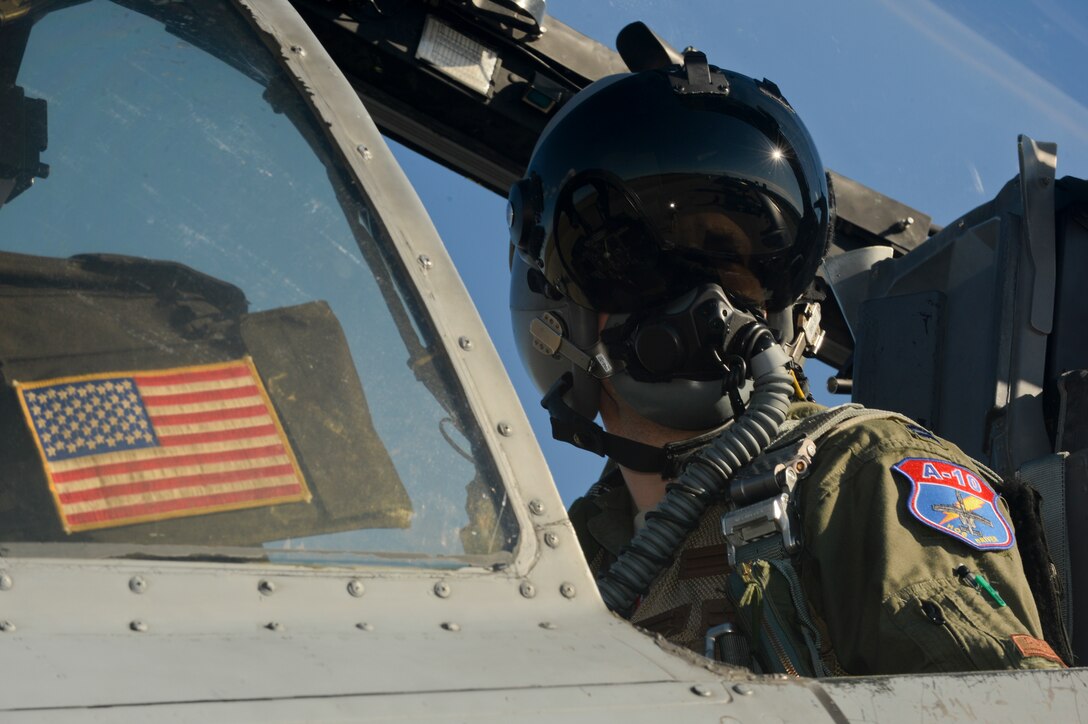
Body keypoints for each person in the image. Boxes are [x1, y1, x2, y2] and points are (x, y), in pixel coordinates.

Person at [507, 50, 1067, 675]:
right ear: (556, 307)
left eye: (736, 264)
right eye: (645, 266)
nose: (706, 300)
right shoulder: (557, 561)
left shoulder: (858, 476)